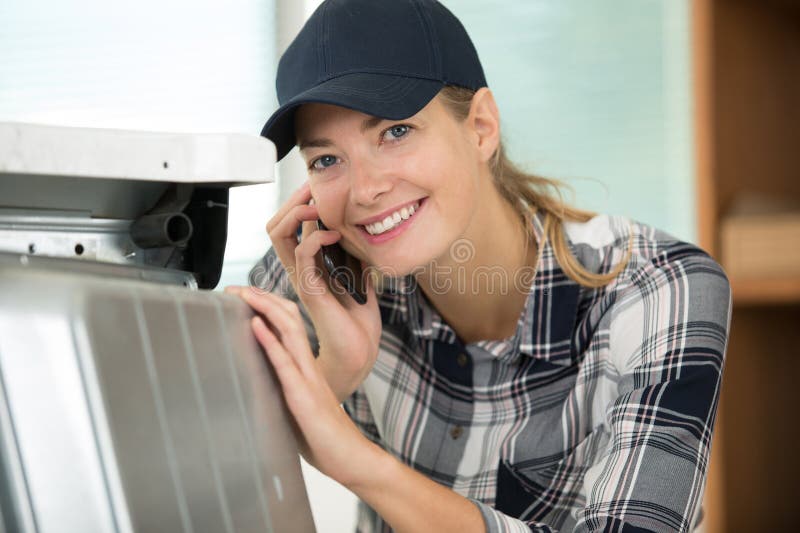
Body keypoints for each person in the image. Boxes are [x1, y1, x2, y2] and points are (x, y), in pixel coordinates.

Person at [226, 1, 732, 531]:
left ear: (481, 128)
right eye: (326, 159)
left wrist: (358, 463)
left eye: (395, 132)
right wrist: (335, 371)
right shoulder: (318, 279)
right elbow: (192, 478)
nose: (365, 190)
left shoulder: (657, 289)